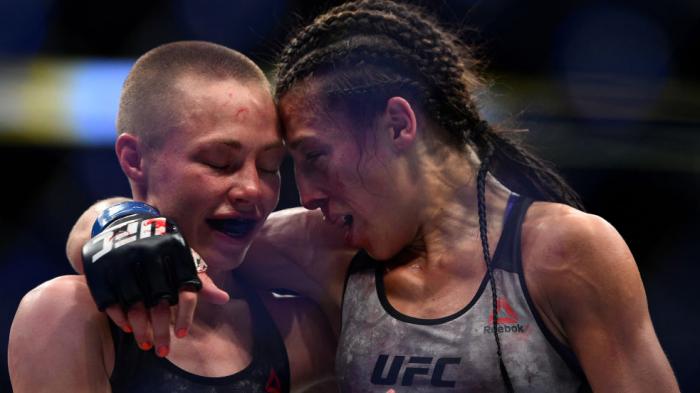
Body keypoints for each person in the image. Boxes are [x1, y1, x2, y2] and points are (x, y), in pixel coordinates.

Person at [64, 1, 680, 392]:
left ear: (397, 125)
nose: (303, 196)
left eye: (313, 157)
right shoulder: (325, 250)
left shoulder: (564, 252)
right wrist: (120, 218)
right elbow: (175, 240)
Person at [8, 41, 337, 393]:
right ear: (134, 159)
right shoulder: (69, 316)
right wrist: (114, 219)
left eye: (270, 167)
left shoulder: (300, 333)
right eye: (219, 162)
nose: (253, 189)